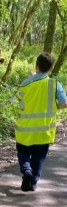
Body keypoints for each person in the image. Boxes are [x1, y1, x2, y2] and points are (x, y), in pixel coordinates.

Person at [15, 52, 67, 192]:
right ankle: (33, 183)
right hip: (44, 130)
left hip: (24, 129)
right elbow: (64, 103)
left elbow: (20, 103)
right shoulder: (54, 84)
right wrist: (55, 106)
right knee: (39, 157)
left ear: (36, 65)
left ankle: (26, 170)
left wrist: (30, 79)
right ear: (52, 68)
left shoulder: (25, 83)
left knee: (23, 152)